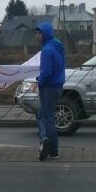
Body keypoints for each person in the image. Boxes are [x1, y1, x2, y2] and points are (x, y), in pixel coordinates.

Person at [35, 22, 65, 161]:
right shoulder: (58, 46)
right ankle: (44, 139)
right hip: (58, 86)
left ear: (45, 34)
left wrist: (38, 82)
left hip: (48, 87)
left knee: (48, 119)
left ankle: (52, 150)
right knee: (42, 114)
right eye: (37, 33)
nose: (37, 35)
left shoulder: (46, 51)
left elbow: (46, 72)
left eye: (39, 33)